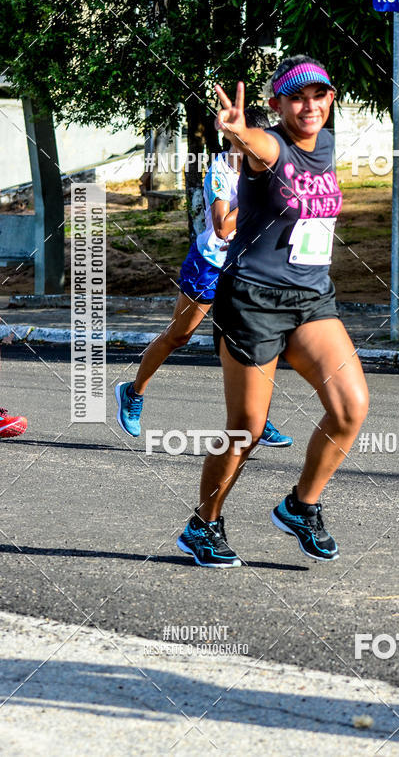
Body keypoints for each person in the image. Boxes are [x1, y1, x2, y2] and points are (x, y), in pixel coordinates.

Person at [177, 55, 369, 568]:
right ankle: (204, 524)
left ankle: (301, 506)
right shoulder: (270, 146)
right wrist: (239, 133)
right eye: (297, 97)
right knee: (248, 427)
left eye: (319, 95)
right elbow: (257, 149)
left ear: (330, 99)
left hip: (311, 299)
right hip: (252, 301)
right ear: (276, 104)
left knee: (350, 407)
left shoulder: (324, 144)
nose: (310, 105)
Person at [115, 107, 293, 449]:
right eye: (250, 141)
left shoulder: (268, 167)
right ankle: (133, 392)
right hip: (210, 264)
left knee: (255, 343)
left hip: (248, 267)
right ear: (236, 140)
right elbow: (224, 226)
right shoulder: (220, 172)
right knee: (178, 336)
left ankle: (258, 418)